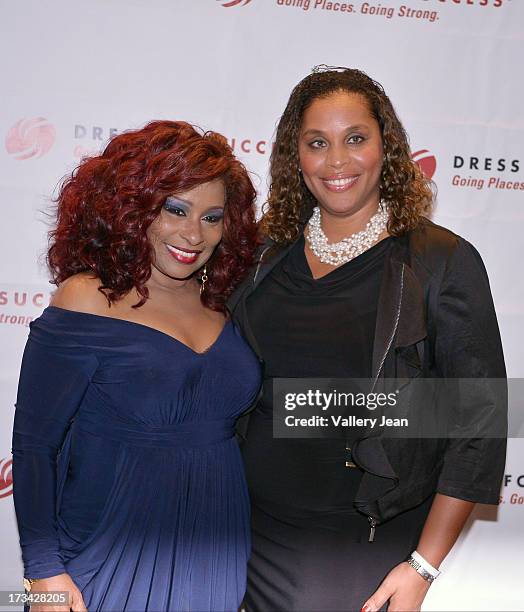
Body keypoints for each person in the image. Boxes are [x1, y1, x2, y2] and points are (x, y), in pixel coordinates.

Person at [228, 67, 507, 611]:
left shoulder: (439, 261)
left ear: (387, 147)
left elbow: (482, 421)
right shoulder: (262, 255)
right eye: (317, 143)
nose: (337, 162)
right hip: (242, 531)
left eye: (355, 138)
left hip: (360, 543)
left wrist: (422, 568)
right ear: (295, 156)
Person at [12, 120, 262, 612]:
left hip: (216, 549)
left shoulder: (224, 302)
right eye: (176, 210)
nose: (194, 233)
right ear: (133, 208)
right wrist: (42, 571)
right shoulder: (86, 298)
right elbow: (36, 445)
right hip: (109, 549)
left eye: (213, 217)